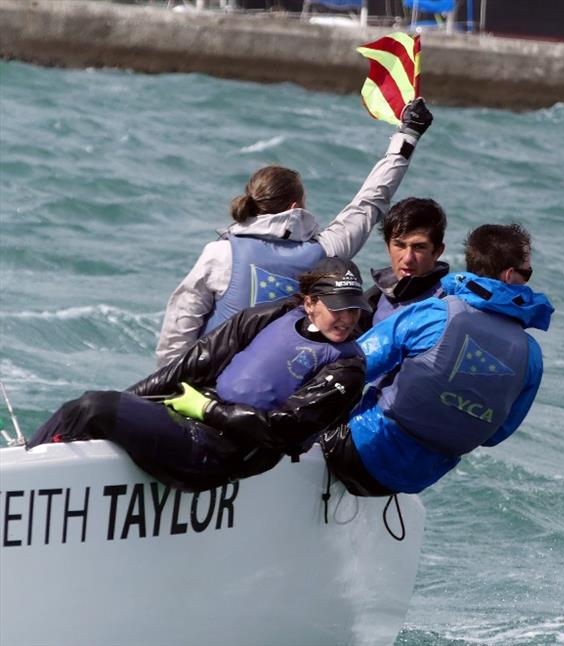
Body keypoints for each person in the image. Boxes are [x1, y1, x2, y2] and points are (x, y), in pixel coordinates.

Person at [28, 258, 371, 492]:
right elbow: (191, 366)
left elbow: (281, 429)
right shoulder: (275, 315)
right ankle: (25, 459)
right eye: (338, 307)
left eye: (354, 308)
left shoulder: (347, 367)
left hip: (217, 454)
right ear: (310, 302)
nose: (347, 318)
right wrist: (130, 402)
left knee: (93, 408)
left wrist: (207, 410)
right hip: (189, 423)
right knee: (94, 408)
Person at [156, 98, 434, 367]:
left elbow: (180, 322)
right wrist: (407, 136)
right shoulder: (325, 254)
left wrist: (168, 381)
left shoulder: (220, 253)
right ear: (295, 207)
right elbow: (371, 200)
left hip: (206, 383)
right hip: (279, 390)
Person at [319, 221, 555, 495]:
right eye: (528, 272)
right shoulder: (532, 355)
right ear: (509, 275)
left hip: (354, 450)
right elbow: (497, 434)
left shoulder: (435, 312)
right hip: (415, 481)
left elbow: (351, 365)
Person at [358, 197, 449, 332]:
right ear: (387, 247)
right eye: (399, 245)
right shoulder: (373, 299)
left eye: (419, 247)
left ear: (438, 251)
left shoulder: (449, 306)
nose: (407, 259)